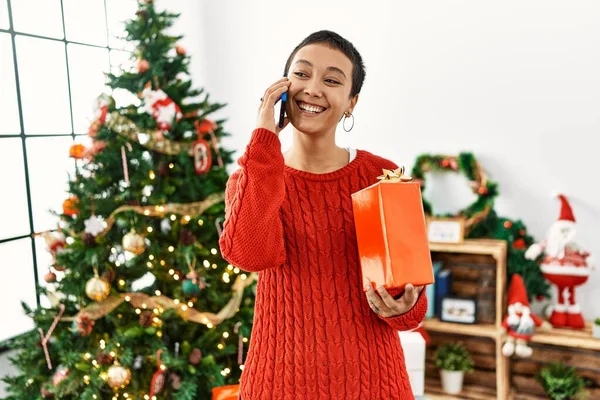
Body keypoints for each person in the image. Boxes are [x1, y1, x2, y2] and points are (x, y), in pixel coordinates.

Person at [219, 30, 427, 400]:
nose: (313, 88)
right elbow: (249, 255)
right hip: (277, 383)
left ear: (351, 102)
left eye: (332, 80)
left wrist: (405, 305)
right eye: (301, 74)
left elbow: (410, 310)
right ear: (282, 88)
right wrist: (264, 138)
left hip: (373, 382)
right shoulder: (253, 176)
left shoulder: (383, 176)